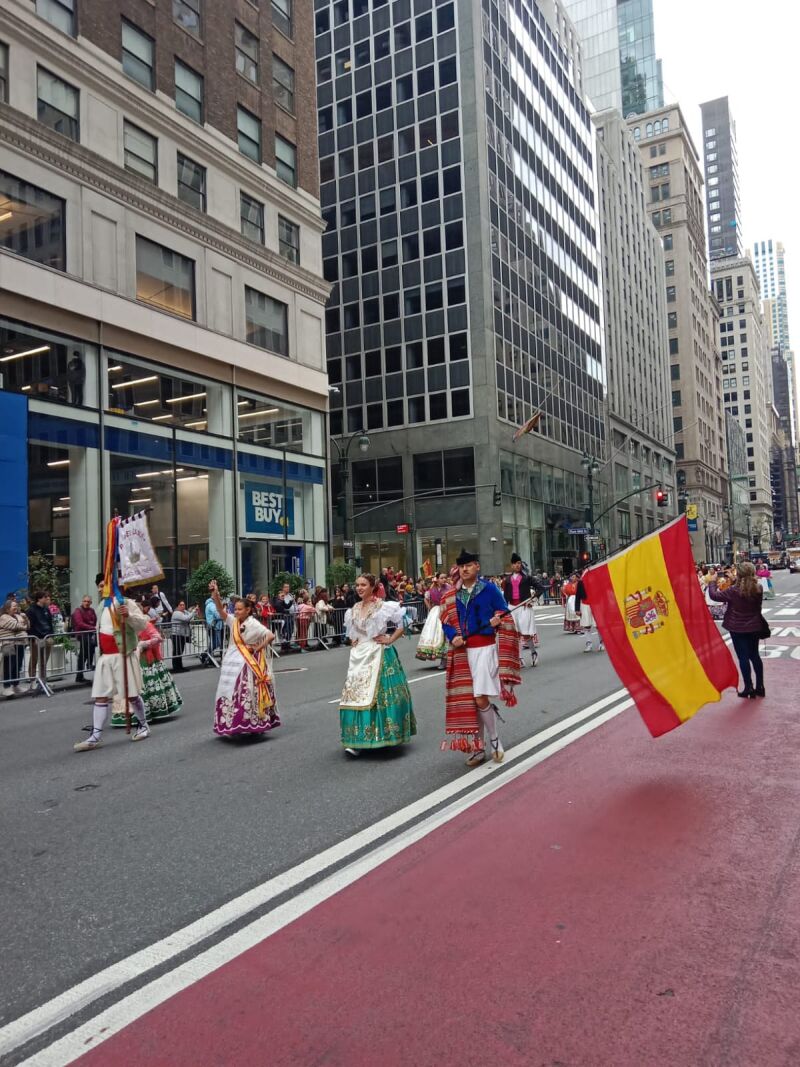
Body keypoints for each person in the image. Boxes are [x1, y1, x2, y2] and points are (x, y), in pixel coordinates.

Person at [440, 550, 521, 767]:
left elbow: (504, 613)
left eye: (469, 565)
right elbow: (445, 621)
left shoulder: (490, 589)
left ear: (477, 567)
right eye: (461, 566)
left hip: (484, 649)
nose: (464, 569)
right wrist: (453, 636)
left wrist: (497, 620)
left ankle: (494, 740)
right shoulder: (451, 595)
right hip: (461, 653)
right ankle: (478, 747)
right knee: (471, 701)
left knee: (480, 698)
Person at [338, 573, 415, 756]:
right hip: (359, 658)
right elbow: (353, 633)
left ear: (373, 586)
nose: (359, 588)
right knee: (354, 695)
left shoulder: (383, 606)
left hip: (379, 654)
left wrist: (390, 639)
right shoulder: (354, 609)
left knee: (380, 695)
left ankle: (384, 736)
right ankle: (357, 740)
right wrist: (353, 641)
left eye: (363, 584)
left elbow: (404, 621)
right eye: (357, 585)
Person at [73, 575, 151, 752]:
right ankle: (95, 736)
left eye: (103, 585)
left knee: (131, 695)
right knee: (100, 696)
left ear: (112, 586)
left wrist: (128, 615)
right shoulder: (102, 606)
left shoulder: (126, 603)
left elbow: (142, 625)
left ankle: (144, 725)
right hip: (106, 657)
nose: (100, 589)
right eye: (100, 586)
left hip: (123, 655)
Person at [209, 579, 280, 738]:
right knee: (229, 692)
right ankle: (231, 723)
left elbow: (270, 635)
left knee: (246, 693)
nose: (236, 612)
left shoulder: (254, 624)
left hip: (248, 665)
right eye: (236, 609)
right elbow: (220, 611)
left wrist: (257, 648)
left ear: (248, 610)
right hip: (232, 663)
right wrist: (216, 594)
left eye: (240, 609)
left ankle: (253, 723)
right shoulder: (233, 621)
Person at [111, 600, 182, 726]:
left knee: (143, 688)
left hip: (146, 660)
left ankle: (149, 713)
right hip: (131, 658)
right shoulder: (125, 624)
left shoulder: (145, 623)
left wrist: (144, 644)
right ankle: (128, 714)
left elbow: (158, 638)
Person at [707, 562, 767, 698]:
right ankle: (760, 687)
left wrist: (712, 582)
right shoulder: (758, 588)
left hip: (737, 627)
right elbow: (746, 587)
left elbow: (714, 596)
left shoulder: (733, 590)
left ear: (738, 574)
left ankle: (748, 687)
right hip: (754, 626)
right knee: (755, 656)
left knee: (743, 657)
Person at [502, 553, 541, 667]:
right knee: (516, 634)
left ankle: (533, 653)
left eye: (519, 563)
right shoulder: (507, 580)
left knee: (526, 633)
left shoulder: (527, 578)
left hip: (524, 607)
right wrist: (504, 609)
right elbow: (505, 597)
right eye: (515, 563)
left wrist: (532, 600)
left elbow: (540, 588)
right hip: (512, 608)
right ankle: (519, 657)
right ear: (511, 565)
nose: (517, 565)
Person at [416, 573, 449, 669]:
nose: (444, 579)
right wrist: (430, 607)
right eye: (442, 578)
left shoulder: (449, 588)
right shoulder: (432, 590)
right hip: (435, 612)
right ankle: (443, 660)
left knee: (445, 635)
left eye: (445, 578)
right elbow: (426, 598)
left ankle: (446, 660)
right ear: (437, 579)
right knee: (435, 634)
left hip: (445, 610)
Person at [0, 598, 29, 696]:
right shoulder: (4, 617)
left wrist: (25, 619)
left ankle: (16, 685)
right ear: (7, 608)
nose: (16, 608)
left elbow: (27, 626)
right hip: (8, 644)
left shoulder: (19, 616)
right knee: (9, 665)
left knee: (18, 665)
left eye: (16, 606)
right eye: (13, 606)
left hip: (20, 643)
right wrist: (23, 626)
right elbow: (14, 626)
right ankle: (6, 687)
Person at [26, 590, 54, 688]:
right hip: (36, 639)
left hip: (47, 638)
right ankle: (32, 681)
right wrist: (33, 638)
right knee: (34, 660)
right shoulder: (31, 610)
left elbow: (50, 623)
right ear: (39, 599)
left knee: (44, 660)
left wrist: (51, 635)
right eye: (45, 597)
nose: (47, 599)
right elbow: (30, 626)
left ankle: (43, 681)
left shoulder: (46, 609)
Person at [574, 569, 604, 654]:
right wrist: (577, 609)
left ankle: (601, 643)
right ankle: (589, 643)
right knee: (586, 626)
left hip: (596, 604)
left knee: (598, 625)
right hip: (585, 604)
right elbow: (578, 596)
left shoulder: (596, 580)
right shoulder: (580, 582)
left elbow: (601, 593)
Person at [71, 594, 97, 684]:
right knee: (83, 655)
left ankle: (87, 666)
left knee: (90, 649)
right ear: (82, 602)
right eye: (85, 601)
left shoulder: (92, 610)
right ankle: (82, 672)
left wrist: (94, 627)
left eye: (88, 601)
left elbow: (95, 620)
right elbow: (79, 623)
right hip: (82, 635)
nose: (86, 603)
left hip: (90, 634)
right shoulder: (78, 611)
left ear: (91, 602)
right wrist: (92, 628)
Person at [170, 600, 196, 672]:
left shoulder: (184, 612)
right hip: (176, 634)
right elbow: (186, 618)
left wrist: (192, 612)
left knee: (180, 651)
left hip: (182, 634)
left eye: (183, 605)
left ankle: (180, 667)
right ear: (177, 606)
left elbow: (191, 618)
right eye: (180, 605)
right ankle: (176, 668)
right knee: (177, 651)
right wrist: (193, 612)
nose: (182, 606)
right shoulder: (176, 613)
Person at [204, 584, 224, 660]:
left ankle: (206, 656)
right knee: (215, 643)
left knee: (216, 643)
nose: (220, 597)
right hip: (213, 626)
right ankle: (205, 655)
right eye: (218, 596)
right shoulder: (211, 605)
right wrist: (223, 612)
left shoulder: (214, 604)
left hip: (216, 626)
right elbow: (219, 615)